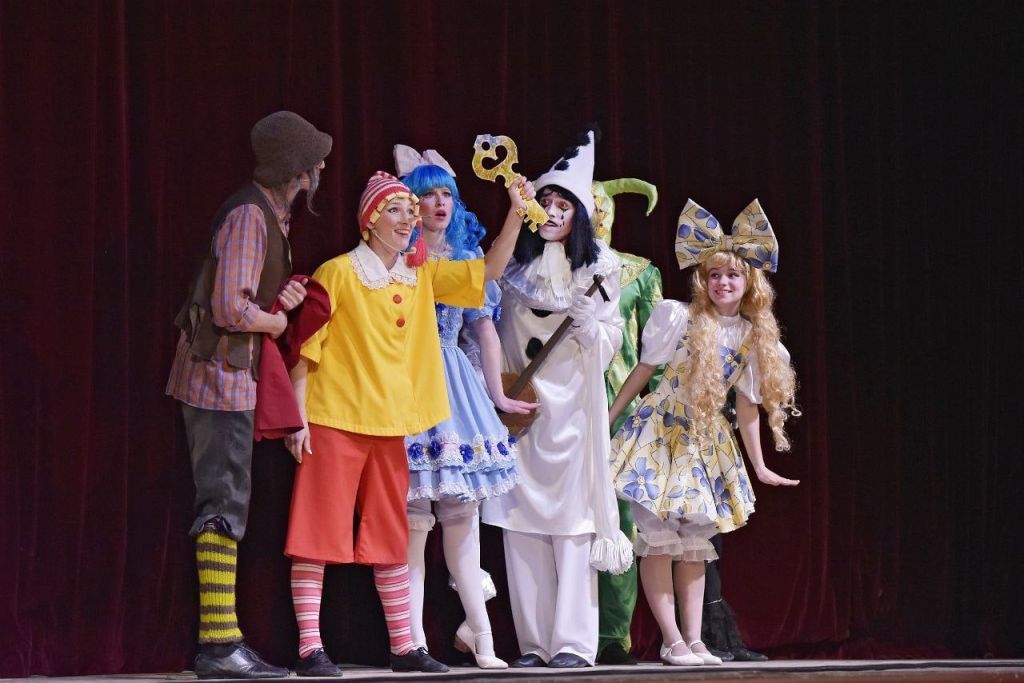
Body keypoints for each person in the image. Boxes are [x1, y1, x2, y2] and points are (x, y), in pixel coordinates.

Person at [282, 170, 531, 676]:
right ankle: (310, 647)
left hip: (392, 427)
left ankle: (404, 646)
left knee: (391, 536)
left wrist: (517, 212)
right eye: (396, 210)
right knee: (317, 532)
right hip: (335, 419)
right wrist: (297, 419)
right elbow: (307, 347)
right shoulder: (339, 272)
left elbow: (489, 270)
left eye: (409, 212)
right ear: (370, 219)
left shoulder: (420, 274)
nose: (408, 219)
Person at [165, 111, 331, 679]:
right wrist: (276, 323)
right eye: (313, 161)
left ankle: (225, 638)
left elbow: (246, 294)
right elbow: (229, 309)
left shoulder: (270, 215)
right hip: (217, 380)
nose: (320, 169)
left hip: (232, 379)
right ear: (295, 168)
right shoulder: (248, 216)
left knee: (229, 499)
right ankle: (218, 647)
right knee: (222, 502)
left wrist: (280, 298)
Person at [608, 199, 800, 667]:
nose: (723, 283)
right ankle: (671, 639)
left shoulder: (755, 337)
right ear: (703, 280)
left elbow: (747, 405)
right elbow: (643, 370)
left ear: (749, 282)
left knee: (695, 546)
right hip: (660, 435)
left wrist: (759, 466)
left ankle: (694, 640)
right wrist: (608, 421)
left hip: (706, 442)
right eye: (714, 275)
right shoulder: (678, 317)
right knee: (657, 540)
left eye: (732, 275)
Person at [481, 127, 633, 669]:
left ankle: (572, 644)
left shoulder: (601, 269)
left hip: (573, 413)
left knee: (572, 528)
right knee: (522, 526)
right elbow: (489, 328)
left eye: (562, 204)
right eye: (544, 201)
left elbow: (612, 338)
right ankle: (534, 644)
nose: (550, 211)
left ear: (578, 215)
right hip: (523, 412)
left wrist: (593, 327)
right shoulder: (513, 268)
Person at [395, 146, 536, 671]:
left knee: (462, 518)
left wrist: (496, 395)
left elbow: (484, 329)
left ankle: (484, 638)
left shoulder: (462, 257)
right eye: (428, 194)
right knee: (412, 524)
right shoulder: (400, 259)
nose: (439, 203)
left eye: (446, 194)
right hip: (410, 384)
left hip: (454, 385)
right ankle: (412, 642)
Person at [589, 178, 663, 665]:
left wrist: (658, 415)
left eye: (601, 208)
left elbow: (656, 352)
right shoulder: (550, 270)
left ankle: (613, 636)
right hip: (565, 405)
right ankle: (565, 629)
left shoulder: (639, 272)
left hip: (623, 410)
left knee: (620, 519)